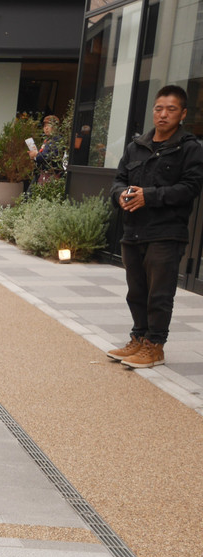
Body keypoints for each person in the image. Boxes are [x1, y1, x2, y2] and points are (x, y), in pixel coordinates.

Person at [108, 85, 203, 369]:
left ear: (182, 113)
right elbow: (118, 180)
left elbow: (190, 188)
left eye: (171, 109)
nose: (163, 115)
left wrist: (149, 196)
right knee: (136, 292)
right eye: (159, 109)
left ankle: (155, 346)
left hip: (166, 232)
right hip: (133, 231)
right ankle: (138, 338)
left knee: (159, 295)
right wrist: (121, 196)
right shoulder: (136, 145)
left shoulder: (189, 149)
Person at [28, 114, 62, 183]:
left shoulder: (57, 140)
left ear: (55, 127)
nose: (46, 128)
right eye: (45, 126)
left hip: (50, 175)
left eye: (49, 125)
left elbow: (49, 156)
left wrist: (36, 155)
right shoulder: (47, 140)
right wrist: (34, 156)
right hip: (42, 173)